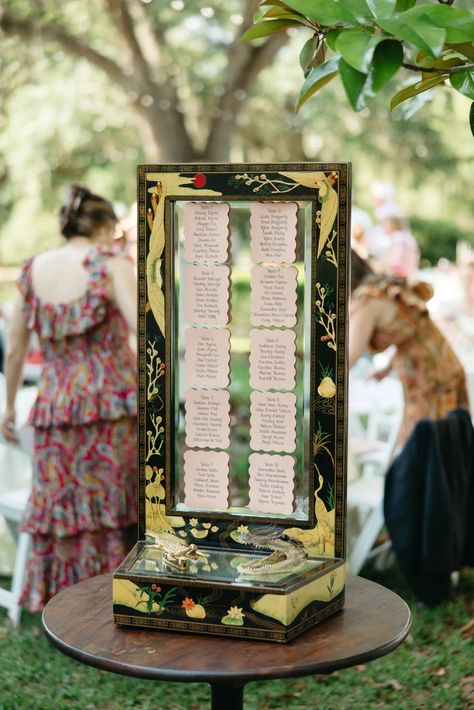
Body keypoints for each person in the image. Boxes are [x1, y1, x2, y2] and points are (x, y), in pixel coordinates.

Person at [0, 184, 138, 612]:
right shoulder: (111, 265)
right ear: (104, 228)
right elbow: (147, 330)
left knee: (65, 502)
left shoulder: (32, 270)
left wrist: (8, 406)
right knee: (114, 502)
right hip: (112, 401)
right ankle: (119, 597)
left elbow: (16, 349)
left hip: (57, 403)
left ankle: (66, 604)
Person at [349, 249, 469, 444]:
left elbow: (346, 359)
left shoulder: (369, 301)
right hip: (440, 368)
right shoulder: (383, 289)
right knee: (438, 448)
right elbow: (408, 334)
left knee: (430, 450)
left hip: (432, 378)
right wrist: (387, 369)